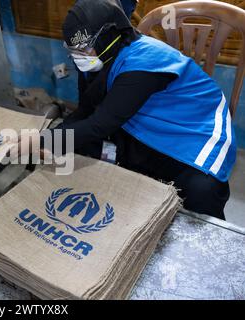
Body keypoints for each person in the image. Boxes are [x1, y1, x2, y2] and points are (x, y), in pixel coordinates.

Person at [16, 0, 236, 220]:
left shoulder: (144, 62)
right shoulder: (95, 59)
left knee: (201, 190)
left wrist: (42, 140)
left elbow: (99, 124)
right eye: (73, 50)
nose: (79, 56)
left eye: (84, 48)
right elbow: (85, 111)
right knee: (83, 146)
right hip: (142, 122)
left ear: (107, 35)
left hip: (194, 133)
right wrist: (55, 140)